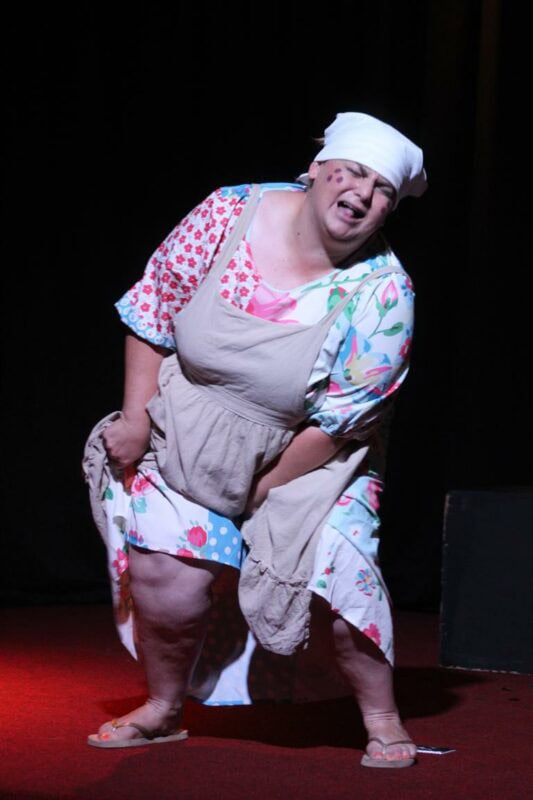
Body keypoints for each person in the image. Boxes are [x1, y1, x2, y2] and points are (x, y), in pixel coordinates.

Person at [83, 111, 427, 768]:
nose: (361, 193)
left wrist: (259, 489)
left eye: (381, 188)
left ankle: (382, 717)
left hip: (310, 457)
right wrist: (135, 417)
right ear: (317, 170)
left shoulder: (385, 293)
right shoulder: (229, 211)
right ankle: (163, 708)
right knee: (167, 573)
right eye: (351, 172)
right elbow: (153, 311)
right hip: (188, 425)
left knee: (341, 578)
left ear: (389, 207)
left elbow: (341, 421)